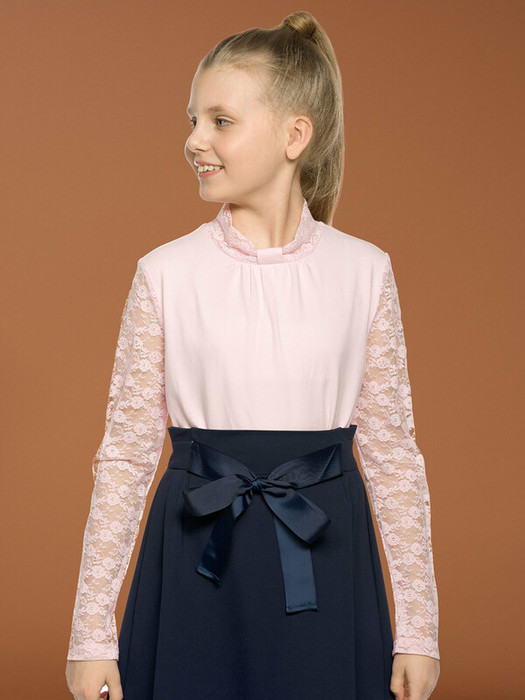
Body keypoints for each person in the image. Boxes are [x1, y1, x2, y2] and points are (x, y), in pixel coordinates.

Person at [65, 10, 440, 700]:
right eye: (193, 120)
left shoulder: (364, 271)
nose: (194, 140)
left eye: (221, 121)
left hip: (327, 555)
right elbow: (125, 457)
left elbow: (391, 453)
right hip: (194, 556)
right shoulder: (165, 273)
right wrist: (91, 635)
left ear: (295, 135)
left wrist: (418, 631)